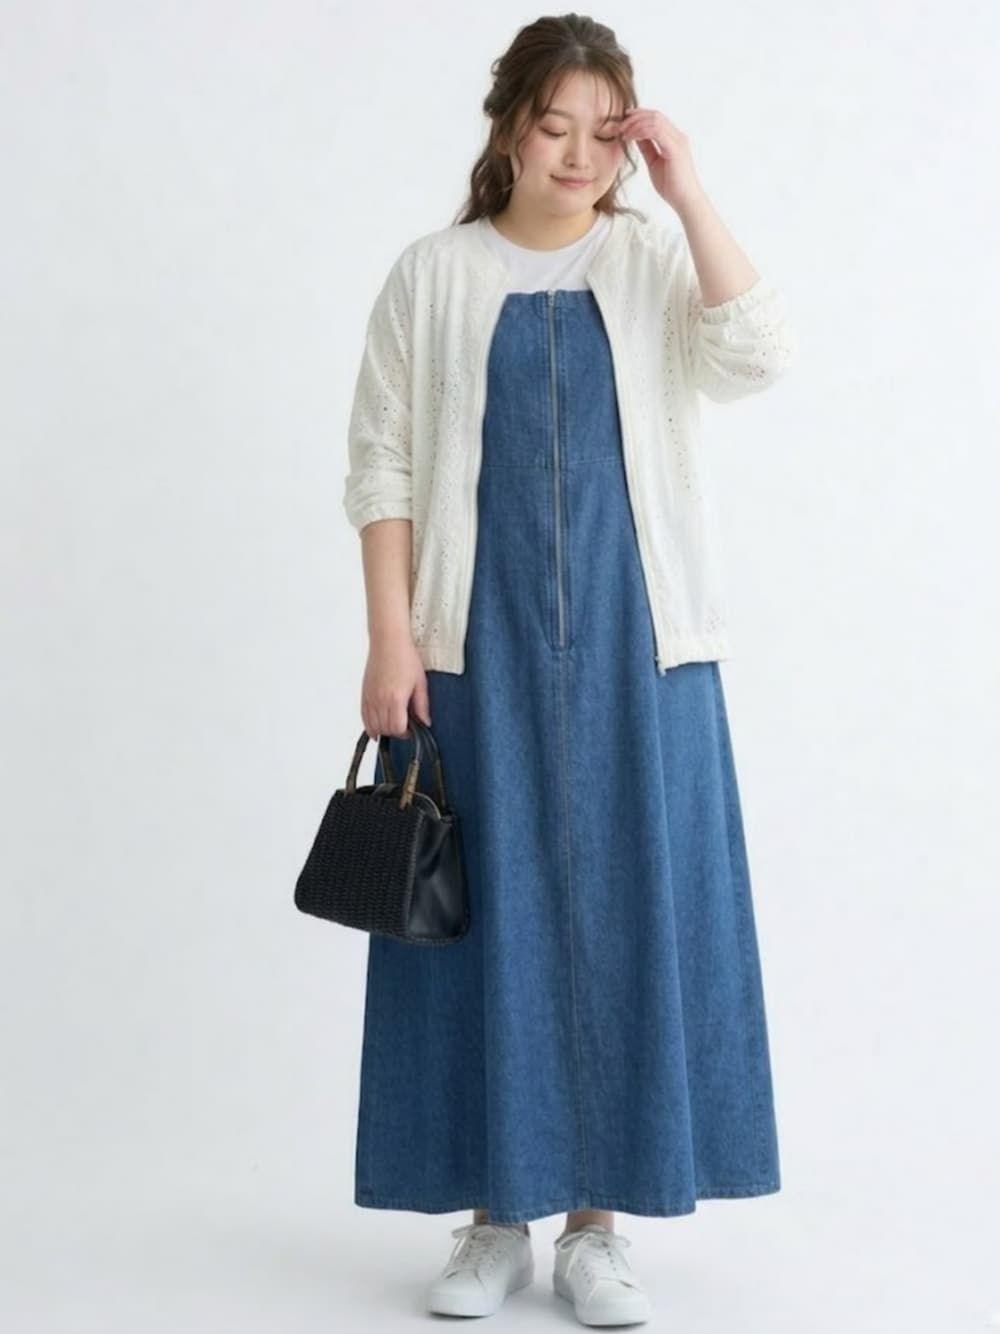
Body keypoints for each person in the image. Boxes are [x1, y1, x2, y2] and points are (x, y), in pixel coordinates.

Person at [341, 13, 795, 1327]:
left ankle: (597, 1224)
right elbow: (380, 462)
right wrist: (389, 635)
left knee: (627, 910)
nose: (580, 155)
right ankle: (496, 1216)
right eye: (555, 126)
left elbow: (757, 354)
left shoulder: (650, 260)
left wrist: (687, 187)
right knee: (479, 916)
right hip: (469, 649)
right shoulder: (433, 275)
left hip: (640, 652)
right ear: (508, 127)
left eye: (607, 132)